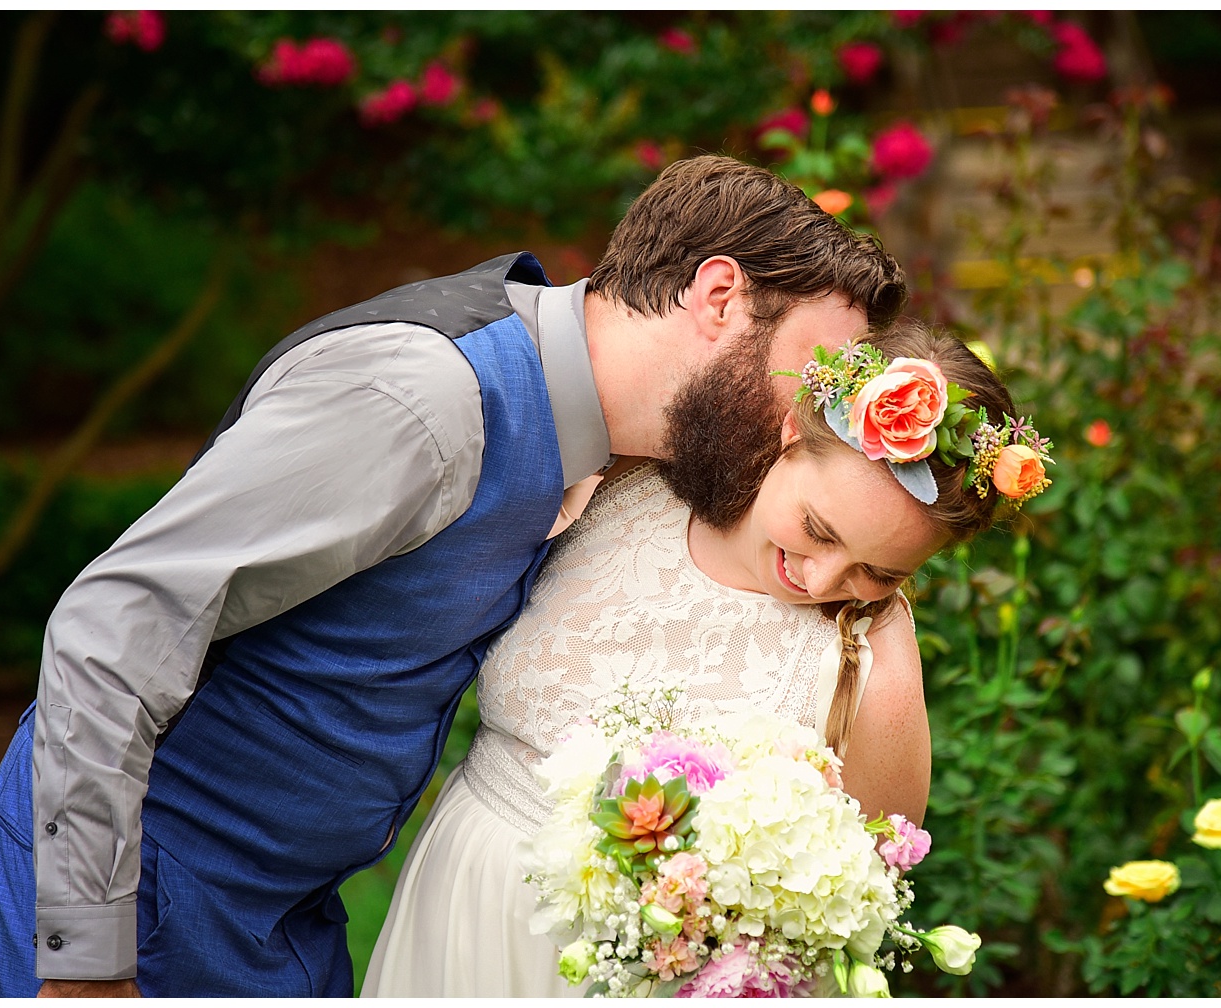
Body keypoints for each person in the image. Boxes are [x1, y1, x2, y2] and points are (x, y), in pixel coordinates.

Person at [0, 155, 906, 998]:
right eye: (811, 376)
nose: (803, 422)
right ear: (717, 297)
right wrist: (86, 961)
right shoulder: (424, 402)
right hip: (137, 889)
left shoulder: (618, 447)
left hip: (286, 920)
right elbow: (113, 625)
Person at [362, 324, 1052, 997]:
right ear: (789, 436)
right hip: (464, 899)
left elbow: (858, 900)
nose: (819, 581)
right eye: (818, 530)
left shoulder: (871, 668)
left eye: (879, 571)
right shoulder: (624, 487)